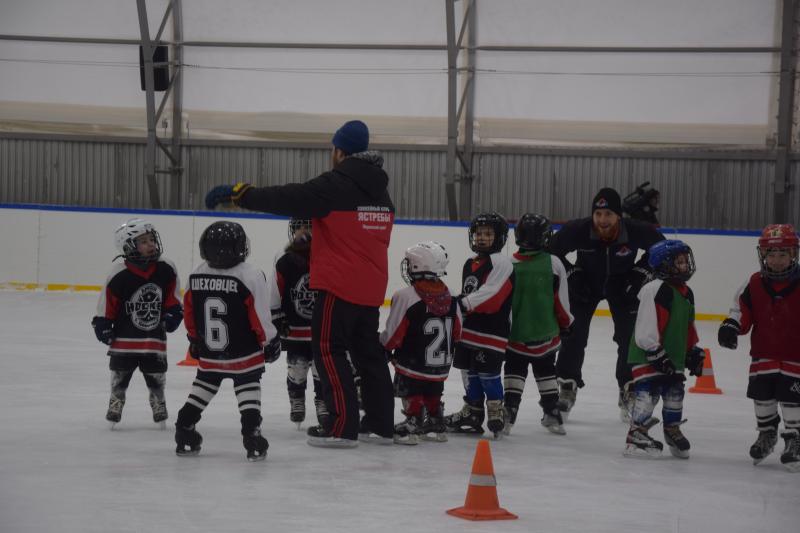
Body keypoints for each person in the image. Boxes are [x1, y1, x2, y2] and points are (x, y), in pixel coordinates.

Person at [204, 119, 395, 448]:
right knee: (368, 354)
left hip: (338, 285)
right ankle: (380, 425)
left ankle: (341, 427)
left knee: (329, 350)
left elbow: (289, 197)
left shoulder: (338, 183)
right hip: (371, 286)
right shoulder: (380, 190)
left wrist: (242, 194)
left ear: (340, 151)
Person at [548, 187, 665, 422]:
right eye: (598, 214)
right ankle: (567, 387)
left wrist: (639, 273)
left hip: (623, 287)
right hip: (584, 286)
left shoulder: (635, 230)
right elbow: (550, 251)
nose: (602, 220)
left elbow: (661, 250)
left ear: (618, 216)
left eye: (608, 214)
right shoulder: (578, 230)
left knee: (629, 337)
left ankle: (629, 389)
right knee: (574, 333)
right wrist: (571, 273)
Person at [175, 221, 280, 461]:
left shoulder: (197, 273)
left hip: (210, 351)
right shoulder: (250, 275)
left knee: (203, 387)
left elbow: (189, 312)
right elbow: (259, 315)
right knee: (248, 388)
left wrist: (194, 339)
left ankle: (184, 427)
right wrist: (270, 341)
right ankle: (252, 436)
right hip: (244, 352)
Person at [717, 224, 800, 472]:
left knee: (792, 400)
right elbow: (739, 310)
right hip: (763, 354)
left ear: (793, 254)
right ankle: (767, 433)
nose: (776, 260)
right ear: (763, 255)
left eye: (783, 254)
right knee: (762, 397)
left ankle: (795, 438)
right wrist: (731, 326)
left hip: (795, 356)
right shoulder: (754, 282)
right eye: (771, 255)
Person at [91, 218, 182, 429]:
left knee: (156, 379)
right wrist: (103, 323)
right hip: (124, 341)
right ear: (129, 246)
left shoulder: (166, 268)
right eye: (143, 241)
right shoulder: (118, 273)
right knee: (120, 379)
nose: (151, 244)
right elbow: (107, 303)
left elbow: (173, 298)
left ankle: (158, 404)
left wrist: (174, 313)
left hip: (154, 340)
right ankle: (116, 404)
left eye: (151, 239)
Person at [623, 240, 705, 458]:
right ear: (665, 265)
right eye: (680, 262)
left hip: (672, 355)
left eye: (686, 261)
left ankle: (671, 429)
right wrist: (655, 352)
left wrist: (692, 350)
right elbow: (646, 325)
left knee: (675, 392)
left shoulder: (687, 293)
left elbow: (687, 325)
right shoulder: (654, 289)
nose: (685, 265)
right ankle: (636, 433)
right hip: (647, 354)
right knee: (648, 393)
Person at [380, 242, 462, 445]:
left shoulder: (405, 296)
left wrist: (383, 347)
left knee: (412, 387)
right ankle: (435, 422)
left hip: (412, 364)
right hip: (440, 366)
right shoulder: (452, 295)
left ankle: (413, 421)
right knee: (433, 389)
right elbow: (458, 332)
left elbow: (393, 335)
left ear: (418, 266)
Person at [444, 212, 514, 438]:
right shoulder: (470, 263)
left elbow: (491, 294)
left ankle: (495, 409)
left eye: (488, 234)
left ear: (499, 237)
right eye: (478, 233)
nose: (482, 238)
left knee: (487, 373)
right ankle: (473, 411)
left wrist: (462, 304)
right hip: (470, 330)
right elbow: (470, 292)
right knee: (469, 372)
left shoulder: (501, 262)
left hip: (492, 331)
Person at [503, 214, 573, 436]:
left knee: (514, 370)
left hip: (515, 334)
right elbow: (561, 300)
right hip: (546, 333)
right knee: (546, 371)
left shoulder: (508, 264)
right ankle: (552, 412)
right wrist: (566, 323)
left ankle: (509, 411)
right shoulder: (553, 263)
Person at [269, 217, 329, 429]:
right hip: (294, 327)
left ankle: (323, 402)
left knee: (321, 369)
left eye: (310, 227)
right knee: (297, 367)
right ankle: (297, 399)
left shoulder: (327, 254)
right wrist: (276, 315)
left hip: (322, 327)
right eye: (300, 228)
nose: (305, 232)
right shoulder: (283, 257)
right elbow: (275, 287)